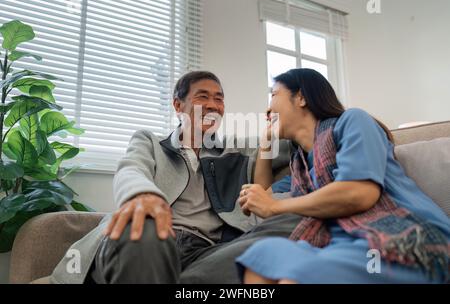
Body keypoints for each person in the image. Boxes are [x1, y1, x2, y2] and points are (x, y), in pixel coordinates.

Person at [49, 70, 297, 284]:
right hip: (152, 238)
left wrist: (313, 118)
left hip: (206, 254)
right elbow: (131, 168)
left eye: (219, 99)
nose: (213, 105)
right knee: (145, 228)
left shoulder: (236, 150)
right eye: (203, 96)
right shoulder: (150, 141)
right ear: (178, 106)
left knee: (294, 222)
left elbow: (298, 139)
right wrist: (142, 195)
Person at [236, 68, 450, 284]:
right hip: (340, 244)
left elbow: (360, 193)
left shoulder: (353, 121)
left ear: (301, 97)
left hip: (402, 239)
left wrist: (274, 207)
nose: (268, 108)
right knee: (261, 256)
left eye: (274, 95)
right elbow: (263, 194)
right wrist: (266, 141)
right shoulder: (300, 168)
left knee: (296, 277)